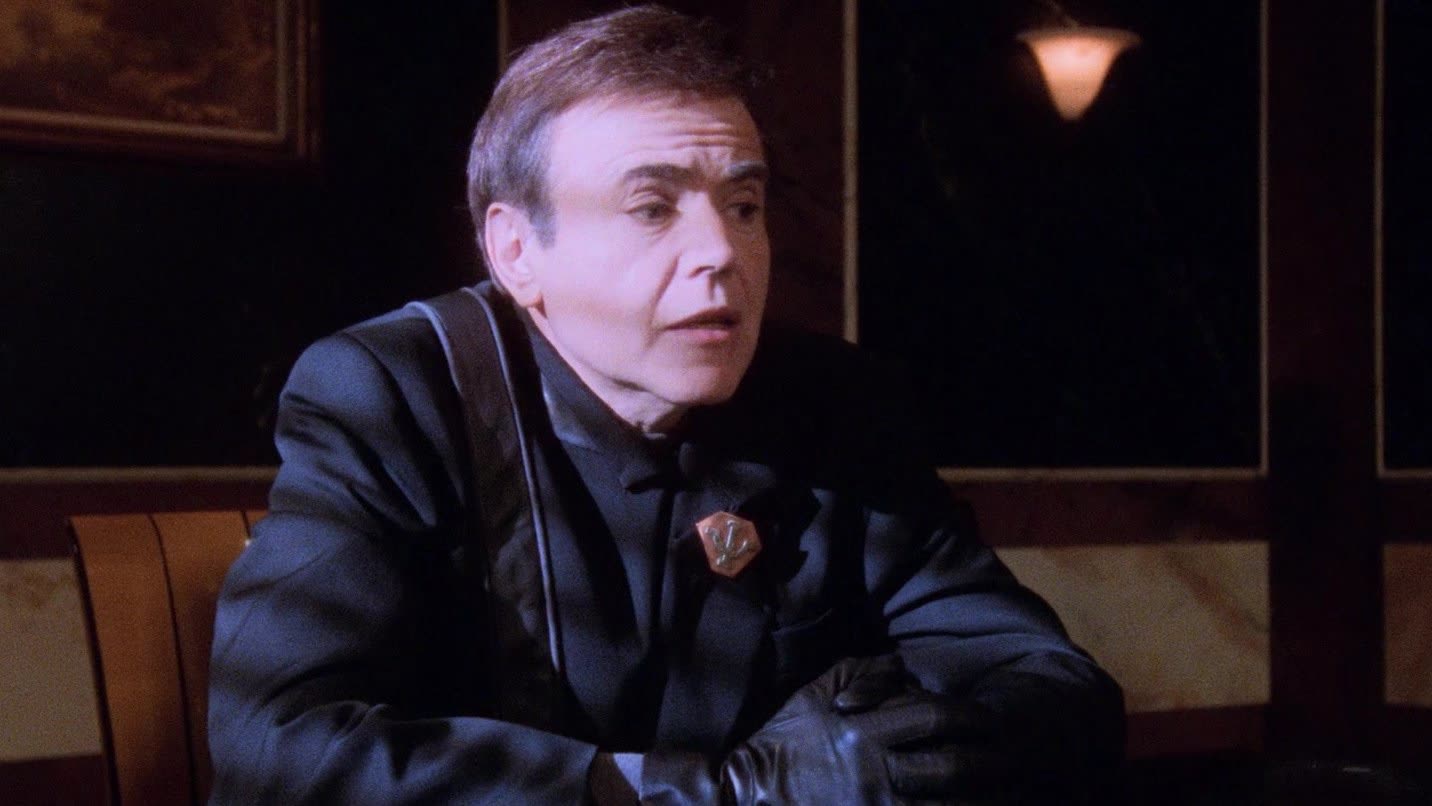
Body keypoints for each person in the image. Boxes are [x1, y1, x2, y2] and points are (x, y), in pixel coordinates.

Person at [208, 6, 1124, 803]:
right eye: (652, 208)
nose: (721, 252)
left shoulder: (836, 403)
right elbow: (277, 749)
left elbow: (1053, 688)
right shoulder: (394, 394)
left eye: (745, 206)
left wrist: (897, 757)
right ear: (516, 251)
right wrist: (734, 793)